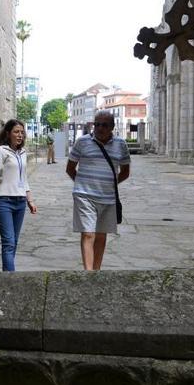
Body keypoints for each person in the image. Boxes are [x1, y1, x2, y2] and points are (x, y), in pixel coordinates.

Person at [66, 110, 130, 270]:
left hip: (108, 198)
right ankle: (88, 274)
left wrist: (110, 184)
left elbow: (125, 171)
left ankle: (96, 271)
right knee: (88, 234)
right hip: (84, 196)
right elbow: (70, 168)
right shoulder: (82, 142)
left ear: (112, 127)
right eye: (97, 124)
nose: (100, 128)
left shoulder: (121, 144)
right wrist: (82, 184)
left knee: (101, 236)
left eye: (104, 125)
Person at [0, 119, 38, 271]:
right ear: (8, 134)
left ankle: (7, 274)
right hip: (4, 202)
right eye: (16, 132)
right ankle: (10, 278)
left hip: (20, 202)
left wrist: (30, 200)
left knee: (13, 242)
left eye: (22, 132)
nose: (20, 135)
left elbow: (24, 179)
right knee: (8, 242)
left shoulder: (23, 153)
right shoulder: (1, 151)